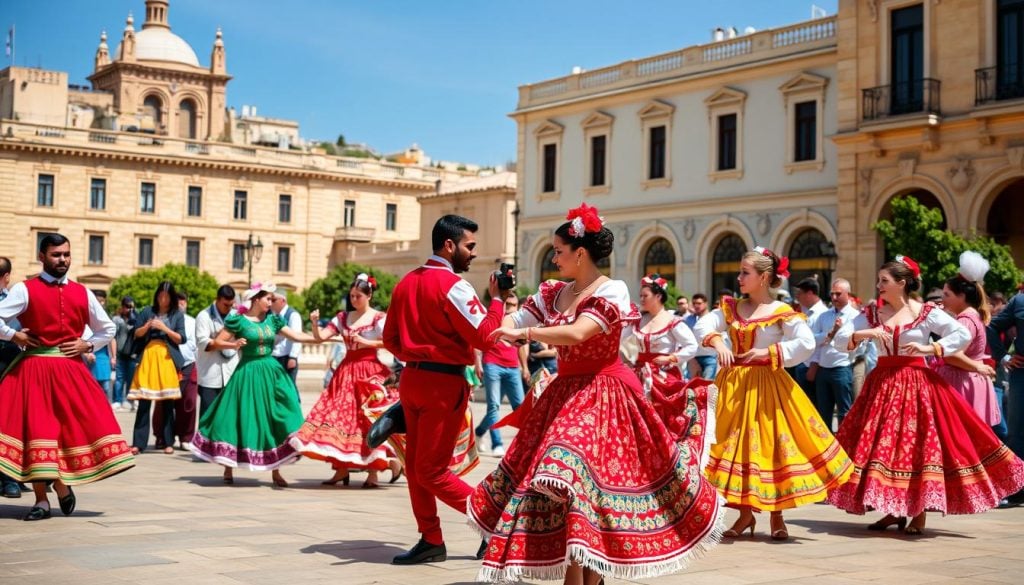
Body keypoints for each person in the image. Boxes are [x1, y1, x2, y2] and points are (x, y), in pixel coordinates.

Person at [470, 204, 723, 585]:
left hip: (605, 395)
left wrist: (524, 334)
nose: (553, 258)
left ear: (581, 253)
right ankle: (588, 579)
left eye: (558, 250)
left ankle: (587, 579)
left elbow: (578, 333)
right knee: (573, 489)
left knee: (569, 474)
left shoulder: (612, 290)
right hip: (566, 395)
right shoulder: (553, 291)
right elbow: (518, 318)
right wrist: (505, 318)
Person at [828, 256, 1024, 534]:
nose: (879, 285)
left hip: (915, 385)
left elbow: (960, 335)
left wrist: (931, 349)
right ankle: (893, 510)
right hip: (881, 386)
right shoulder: (872, 313)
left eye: (884, 281)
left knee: (917, 448)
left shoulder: (925, 312)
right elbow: (840, 342)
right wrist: (864, 334)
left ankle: (918, 512)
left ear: (902, 283)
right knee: (885, 449)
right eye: (879, 280)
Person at [694, 247, 851, 541]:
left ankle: (777, 515)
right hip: (734, 388)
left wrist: (768, 352)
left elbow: (804, 343)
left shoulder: (781, 312)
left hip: (768, 388)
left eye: (745, 272)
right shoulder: (731, 307)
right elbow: (703, 324)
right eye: (740, 271)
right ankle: (744, 515)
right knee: (733, 449)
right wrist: (718, 343)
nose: (739, 277)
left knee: (770, 448)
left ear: (764, 277)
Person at [382, 214, 506, 565]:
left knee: (419, 468)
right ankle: (493, 522)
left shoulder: (405, 283)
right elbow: (486, 337)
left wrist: (415, 355)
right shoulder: (454, 286)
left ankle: (431, 538)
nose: (473, 254)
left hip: (413, 381)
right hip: (443, 384)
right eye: (469, 246)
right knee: (432, 470)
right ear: (449, 245)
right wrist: (496, 301)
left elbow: (390, 338)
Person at [0, 233, 134, 520]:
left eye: (66, 254)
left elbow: (107, 328)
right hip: (34, 370)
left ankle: (62, 485)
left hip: (70, 371)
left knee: (69, 430)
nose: (63, 260)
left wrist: (88, 344)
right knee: (38, 433)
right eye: (56, 255)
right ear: (42, 256)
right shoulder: (25, 289)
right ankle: (42, 500)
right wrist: (16, 334)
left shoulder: (82, 292)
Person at [188, 283, 319, 487]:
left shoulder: (273, 321)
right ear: (256, 299)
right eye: (268, 298)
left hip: (270, 372)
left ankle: (276, 471)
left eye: (273, 298)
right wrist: (233, 344)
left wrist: (317, 335)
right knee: (236, 417)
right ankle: (228, 467)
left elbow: (295, 336)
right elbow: (215, 342)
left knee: (276, 417)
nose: (271, 302)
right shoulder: (237, 321)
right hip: (247, 373)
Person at [292, 273, 402, 488]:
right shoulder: (342, 318)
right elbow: (320, 337)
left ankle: (374, 473)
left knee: (367, 420)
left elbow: (392, 343)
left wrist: (366, 343)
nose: (354, 299)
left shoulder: (379, 318)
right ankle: (340, 469)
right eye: (351, 295)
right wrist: (314, 323)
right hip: (345, 372)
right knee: (338, 419)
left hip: (369, 373)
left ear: (369, 295)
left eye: (358, 296)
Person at [934, 252, 1001, 426]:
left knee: (961, 440)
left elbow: (951, 354)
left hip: (962, 384)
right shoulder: (969, 316)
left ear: (962, 296)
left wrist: (977, 366)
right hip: (966, 382)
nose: (943, 299)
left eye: (947, 294)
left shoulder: (965, 320)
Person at [128, 281, 186, 455]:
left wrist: (164, 328)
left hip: (167, 357)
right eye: (160, 296)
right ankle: (138, 443)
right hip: (149, 355)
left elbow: (181, 338)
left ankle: (169, 441)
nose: (163, 299)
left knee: (168, 403)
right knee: (144, 402)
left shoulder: (177, 314)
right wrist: (147, 326)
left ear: (172, 298)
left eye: (167, 297)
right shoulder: (147, 311)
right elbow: (136, 333)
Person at [473, 293, 526, 457]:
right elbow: (477, 339)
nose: (511, 307)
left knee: (521, 408)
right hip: (493, 364)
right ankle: (497, 444)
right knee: (494, 407)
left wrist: (524, 367)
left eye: (514, 304)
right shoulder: (493, 318)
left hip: (512, 367)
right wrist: (477, 362)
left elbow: (522, 347)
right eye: (508, 304)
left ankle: (480, 431)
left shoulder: (517, 322)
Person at [633, 273, 697, 396]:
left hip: (663, 376)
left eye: (645, 296)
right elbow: (618, 338)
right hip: (638, 375)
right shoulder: (637, 320)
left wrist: (670, 358)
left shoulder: (672, 321)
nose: (641, 299)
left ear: (658, 296)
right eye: (640, 296)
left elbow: (691, 345)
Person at [809, 278, 860, 430]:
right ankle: (827, 446)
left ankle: (845, 444)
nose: (834, 298)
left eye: (838, 294)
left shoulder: (855, 316)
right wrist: (830, 334)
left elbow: (857, 344)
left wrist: (833, 336)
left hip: (842, 368)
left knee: (844, 410)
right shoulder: (824, 315)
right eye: (832, 294)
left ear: (848, 294)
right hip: (823, 368)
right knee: (823, 411)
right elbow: (813, 341)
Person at [990, 289, 1024, 506]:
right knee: (1017, 432)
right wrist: (1003, 356)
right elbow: (992, 327)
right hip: (1022, 373)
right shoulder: (1019, 301)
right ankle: (1017, 489)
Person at [153, 293, 199, 449]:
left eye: (183, 301)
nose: (180, 304)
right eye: (177, 301)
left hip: (188, 365)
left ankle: (186, 437)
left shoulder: (193, 322)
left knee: (189, 402)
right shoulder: (163, 320)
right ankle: (162, 437)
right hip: (166, 365)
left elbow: (196, 344)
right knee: (162, 403)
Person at [195, 286, 239, 418]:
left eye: (231, 305)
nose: (229, 308)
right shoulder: (204, 316)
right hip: (210, 375)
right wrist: (224, 338)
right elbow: (205, 345)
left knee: (228, 417)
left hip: (231, 373)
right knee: (208, 417)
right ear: (217, 300)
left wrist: (221, 340)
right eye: (226, 304)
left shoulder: (235, 315)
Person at [792, 277, 827, 397]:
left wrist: (813, 365)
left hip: (811, 367)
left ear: (810, 293)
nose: (797, 297)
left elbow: (824, 342)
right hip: (801, 364)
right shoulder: (806, 312)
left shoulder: (823, 314)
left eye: (800, 293)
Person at [85, 290, 115, 405]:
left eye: (102, 301)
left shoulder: (107, 316)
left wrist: (113, 356)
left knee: (106, 387)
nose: (100, 303)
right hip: (90, 356)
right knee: (92, 385)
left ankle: (106, 406)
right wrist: (86, 353)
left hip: (103, 357)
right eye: (98, 301)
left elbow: (112, 337)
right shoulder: (86, 315)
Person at [271, 292, 303, 397]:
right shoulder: (273, 315)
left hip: (287, 357)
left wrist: (293, 357)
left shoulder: (293, 315)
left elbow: (297, 336)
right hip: (275, 356)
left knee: (290, 387)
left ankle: (296, 410)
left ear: (283, 301)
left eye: (274, 300)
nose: (271, 303)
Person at [111, 296, 138, 411]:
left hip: (132, 355)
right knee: (119, 379)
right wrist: (113, 356)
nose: (128, 309)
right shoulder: (117, 319)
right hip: (120, 355)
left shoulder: (136, 319)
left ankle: (130, 401)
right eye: (126, 306)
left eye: (131, 306)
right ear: (122, 307)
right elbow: (113, 338)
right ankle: (117, 401)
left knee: (131, 379)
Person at [685, 293, 717, 380]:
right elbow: (685, 340)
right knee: (691, 387)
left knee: (707, 386)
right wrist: (691, 359)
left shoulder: (714, 318)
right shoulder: (688, 320)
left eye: (699, 303)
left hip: (710, 357)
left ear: (706, 303)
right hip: (694, 357)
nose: (696, 306)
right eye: (694, 303)